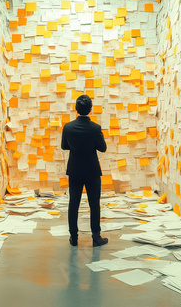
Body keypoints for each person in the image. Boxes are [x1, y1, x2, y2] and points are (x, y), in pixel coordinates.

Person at [61, 95, 108, 247]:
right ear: (90, 109)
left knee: (73, 203)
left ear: (76, 108)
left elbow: (64, 146)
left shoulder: (67, 127)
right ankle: (96, 236)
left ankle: (73, 237)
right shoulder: (95, 128)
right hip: (92, 170)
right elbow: (103, 148)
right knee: (94, 203)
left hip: (74, 170)